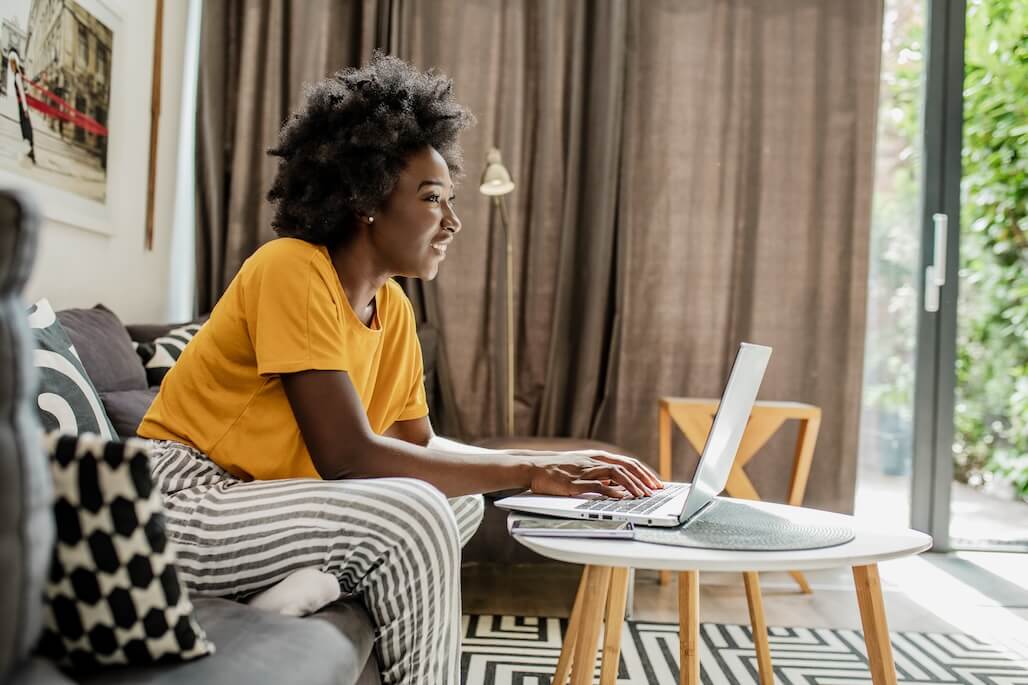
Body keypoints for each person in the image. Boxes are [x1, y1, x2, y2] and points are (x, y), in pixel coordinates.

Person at [137, 53, 661, 685]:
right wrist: (528, 469)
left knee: (456, 505)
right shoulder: (292, 268)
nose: (452, 222)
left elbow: (416, 445)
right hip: (178, 502)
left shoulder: (394, 309)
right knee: (417, 513)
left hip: (259, 502)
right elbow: (349, 457)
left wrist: (541, 470)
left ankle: (300, 584)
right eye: (432, 198)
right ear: (365, 200)